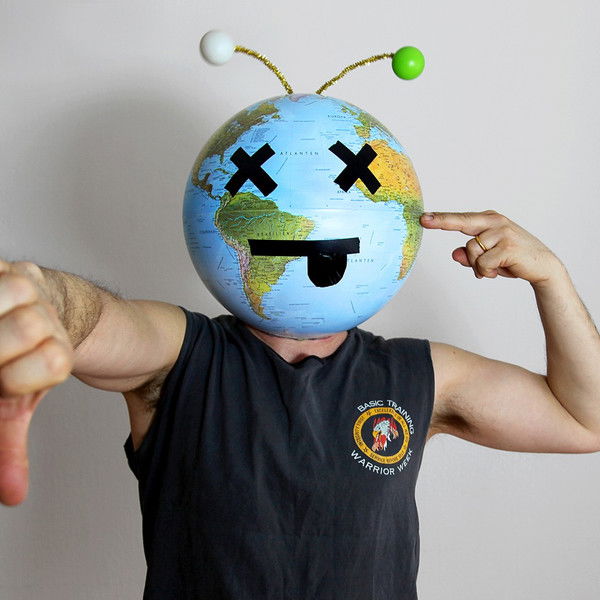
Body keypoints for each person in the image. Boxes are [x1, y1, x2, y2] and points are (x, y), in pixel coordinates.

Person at [1, 210, 599, 599]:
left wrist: (551, 278)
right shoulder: (180, 354)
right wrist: (43, 298)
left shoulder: (418, 374)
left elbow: (584, 419)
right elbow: (95, 320)